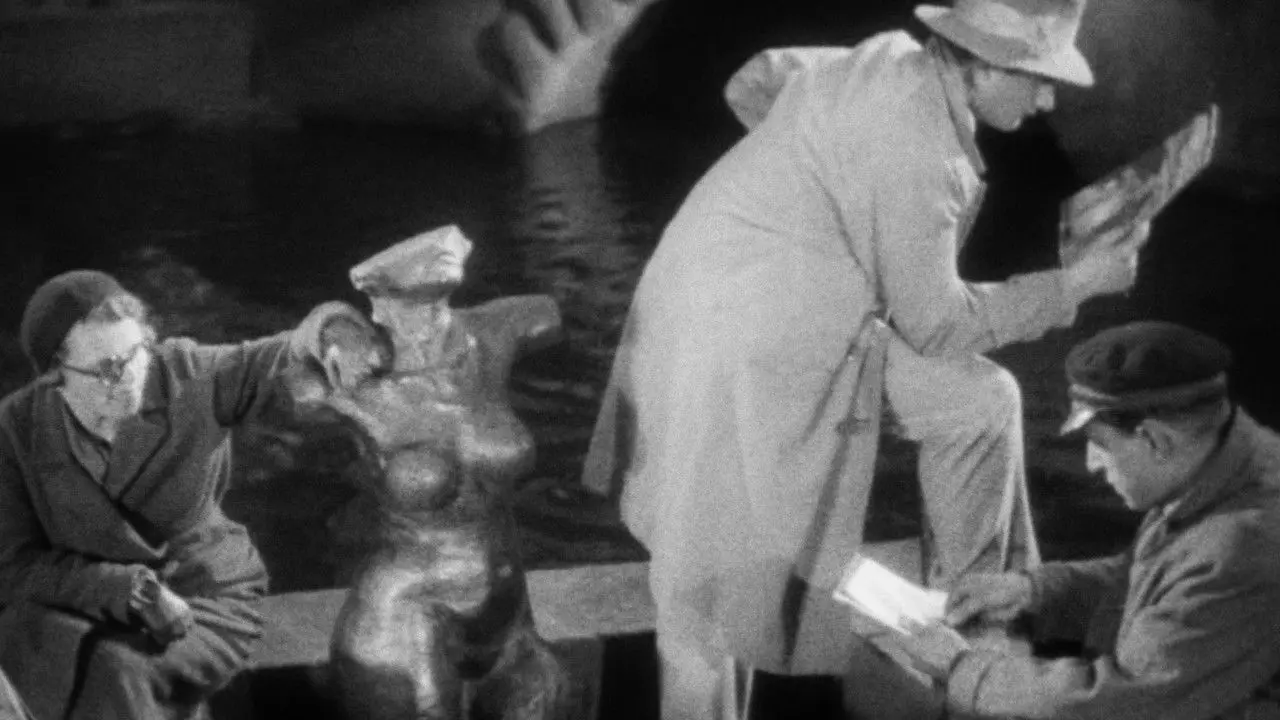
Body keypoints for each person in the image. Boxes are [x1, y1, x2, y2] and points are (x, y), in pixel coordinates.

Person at [580, 0, 1151, 716]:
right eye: (1039, 81)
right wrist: (1077, 285)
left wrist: (817, 191)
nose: (1046, 102)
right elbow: (940, 327)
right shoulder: (924, 154)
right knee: (719, 590)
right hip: (742, 341)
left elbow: (753, 80)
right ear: (981, 65)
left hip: (766, 300)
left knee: (980, 400)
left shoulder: (886, 55)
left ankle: (981, 611)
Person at [894, 321, 1280, 719]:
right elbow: (1148, 582)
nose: (1091, 463)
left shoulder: (1245, 544)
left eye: (1101, 445)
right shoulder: (1221, 469)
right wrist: (1031, 592)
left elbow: (1124, 701)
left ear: (1155, 440)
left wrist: (964, 669)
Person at [0, 269, 325, 719]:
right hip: (86, 600)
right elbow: (15, 567)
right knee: (27, 652)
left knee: (118, 670)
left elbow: (276, 357)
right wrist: (128, 589)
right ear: (56, 376)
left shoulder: (185, 374)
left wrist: (327, 331)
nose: (130, 377)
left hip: (201, 595)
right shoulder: (18, 429)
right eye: (108, 369)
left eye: (136, 353)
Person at [284, 225, 570, 719]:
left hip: (506, 613)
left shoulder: (488, 336)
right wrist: (327, 324)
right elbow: (266, 371)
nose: (426, 331)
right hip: (404, 611)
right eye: (409, 309)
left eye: (436, 308)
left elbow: (548, 310)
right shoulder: (351, 381)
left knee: (547, 699)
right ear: (377, 302)